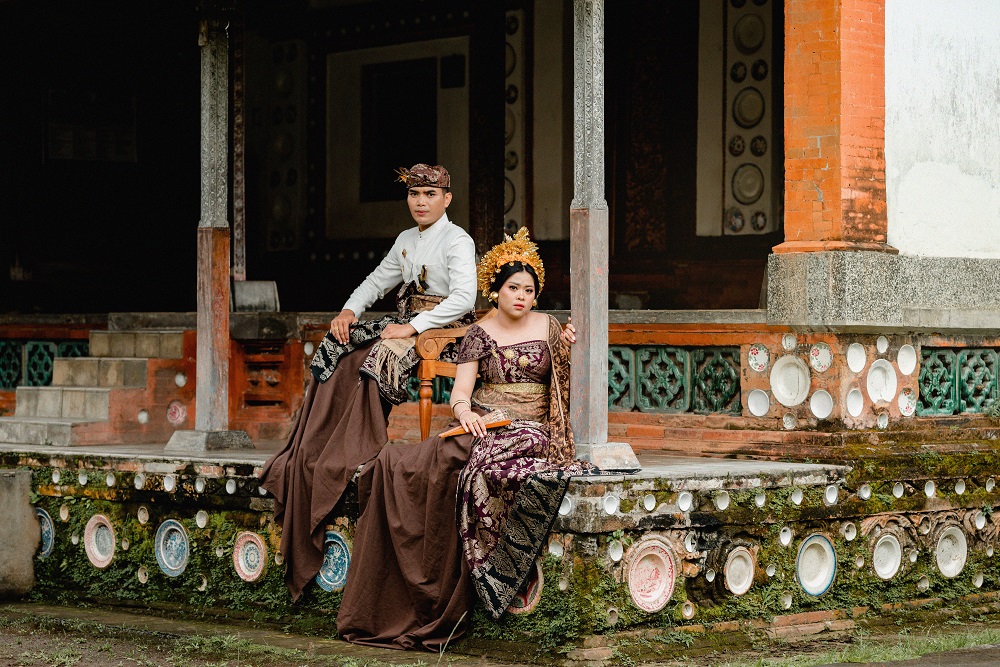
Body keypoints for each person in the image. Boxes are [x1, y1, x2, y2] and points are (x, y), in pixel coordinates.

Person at [337, 228, 596, 651]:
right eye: (513, 288)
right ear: (495, 289)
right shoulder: (478, 332)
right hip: (482, 423)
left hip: (532, 428)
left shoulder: (550, 327)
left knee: (481, 471)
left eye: (529, 290)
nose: (521, 297)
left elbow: (566, 383)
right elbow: (459, 393)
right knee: (402, 464)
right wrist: (467, 414)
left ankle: (479, 580)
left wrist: (569, 349)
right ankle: (410, 581)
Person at [261, 164, 477, 600]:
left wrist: (413, 327)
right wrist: (348, 311)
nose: (421, 202)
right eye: (414, 194)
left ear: (447, 199)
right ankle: (324, 438)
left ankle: (358, 442)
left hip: (445, 330)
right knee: (340, 348)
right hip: (407, 324)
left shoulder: (458, 240)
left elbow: (464, 298)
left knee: (380, 355)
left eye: (430, 194)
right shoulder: (406, 239)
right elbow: (377, 281)